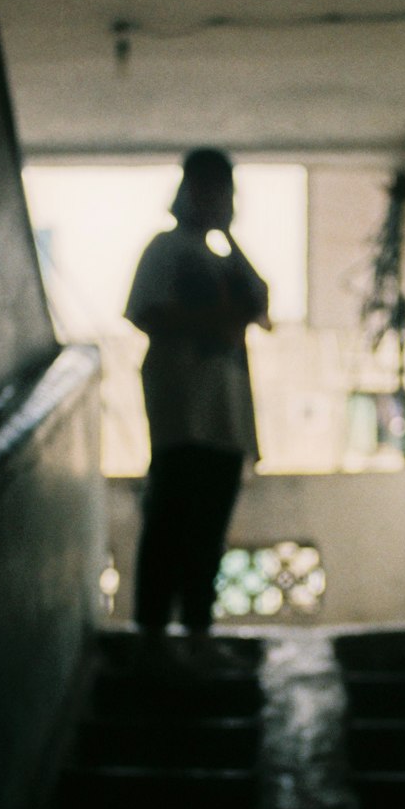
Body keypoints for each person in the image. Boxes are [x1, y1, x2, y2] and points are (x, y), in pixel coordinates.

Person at [124, 147, 272, 670]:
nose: (217, 200)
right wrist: (217, 320)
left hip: (227, 414)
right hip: (182, 408)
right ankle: (152, 634)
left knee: (209, 527)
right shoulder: (164, 250)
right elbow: (146, 313)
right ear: (186, 191)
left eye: (224, 191)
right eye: (208, 189)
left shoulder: (220, 255)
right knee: (169, 519)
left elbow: (260, 301)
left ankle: (199, 633)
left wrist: (228, 236)